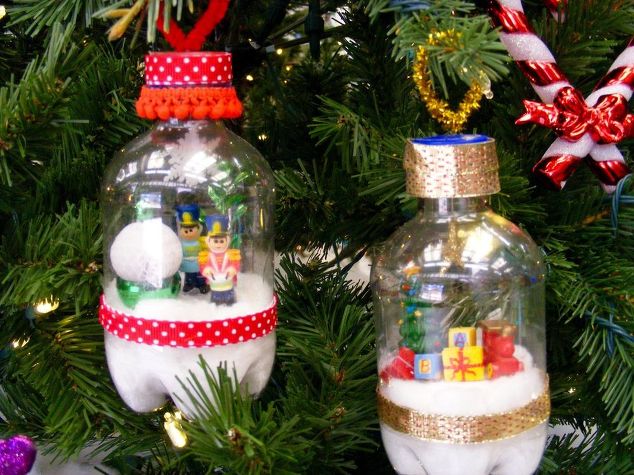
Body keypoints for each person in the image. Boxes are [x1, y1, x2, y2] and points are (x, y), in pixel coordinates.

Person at [199, 214, 241, 304]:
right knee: (216, 301)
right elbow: (203, 267)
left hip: (228, 283)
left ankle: (230, 302)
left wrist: (232, 269)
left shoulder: (231, 254)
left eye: (221, 241)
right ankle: (216, 303)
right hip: (215, 284)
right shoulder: (206, 256)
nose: (218, 244)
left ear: (227, 240)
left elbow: (235, 265)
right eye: (215, 241)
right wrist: (207, 270)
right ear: (208, 241)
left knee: (230, 300)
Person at [176, 204, 209, 293]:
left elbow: (205, 250)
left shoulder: (201, 241)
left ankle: (202, 284)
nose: (189, 233)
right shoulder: (181, 243)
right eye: (186, 231)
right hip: (187, 264)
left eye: (191, 230)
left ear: (198, 228)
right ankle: (189, 284)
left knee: (200, 275)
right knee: (189, 275)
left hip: (199, 263)